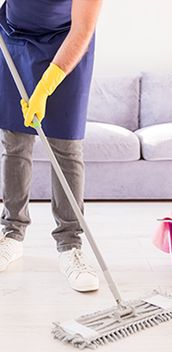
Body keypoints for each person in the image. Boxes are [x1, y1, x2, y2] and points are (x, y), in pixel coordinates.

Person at [0, 0, 103, 292]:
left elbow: (82, 30)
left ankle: (70, 245)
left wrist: (45, 87)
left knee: (66, 147)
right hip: (14, 40)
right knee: (15, 142)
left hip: (67, 44)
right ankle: (12, 233)